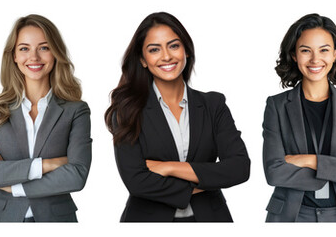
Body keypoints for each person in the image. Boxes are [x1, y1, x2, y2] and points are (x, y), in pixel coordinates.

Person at [105, 12, 250, 222]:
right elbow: (136, 181)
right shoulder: (127, 110)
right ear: (143, 60)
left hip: (210, 219)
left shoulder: (213, 105)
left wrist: (168, 167)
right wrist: (207, 180)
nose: (166, 56)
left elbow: (239, 168)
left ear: (186, 51)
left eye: (173, 45)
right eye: (154, 49)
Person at [0, 14, 91, 222]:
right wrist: (48, 164)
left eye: (44, 48)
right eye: (24, 48)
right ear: (14, 56)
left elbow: (77, 176)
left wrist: (11, 183)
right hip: (0, 220)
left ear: (55, 53)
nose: (34, 57)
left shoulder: (76, 110)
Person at [262, 13, 336, 222]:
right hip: (293, 215)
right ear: (294, 55)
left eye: (324, 50)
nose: (315, 59)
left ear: (335, 53)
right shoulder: (276, 106)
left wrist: (308, 160)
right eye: (306, 50)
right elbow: (274, 172)